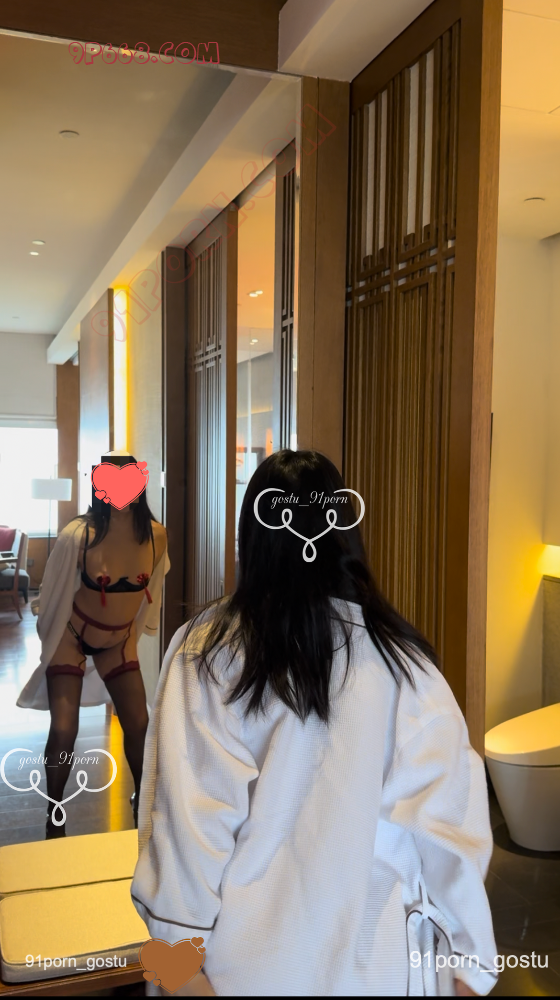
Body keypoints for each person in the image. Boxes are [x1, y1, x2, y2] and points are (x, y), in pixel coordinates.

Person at [132, 450, 497, 997]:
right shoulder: (405, 666)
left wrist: (180, 965)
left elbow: (188, 825)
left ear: (251, 538)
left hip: (244, 972)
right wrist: (469, 968)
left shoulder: (206, 652)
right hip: (381, 971)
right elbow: (452, 835)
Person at [17, 454, 169, 837]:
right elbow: (52, 593)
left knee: (139, 724)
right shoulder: (78, 536)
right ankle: (54, 812)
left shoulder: (157, 536)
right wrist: (48, 640)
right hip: (71, 634)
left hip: (117, 640)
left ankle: (143, 801)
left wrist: (138, 633)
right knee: (64, 728)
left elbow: (153, 589)